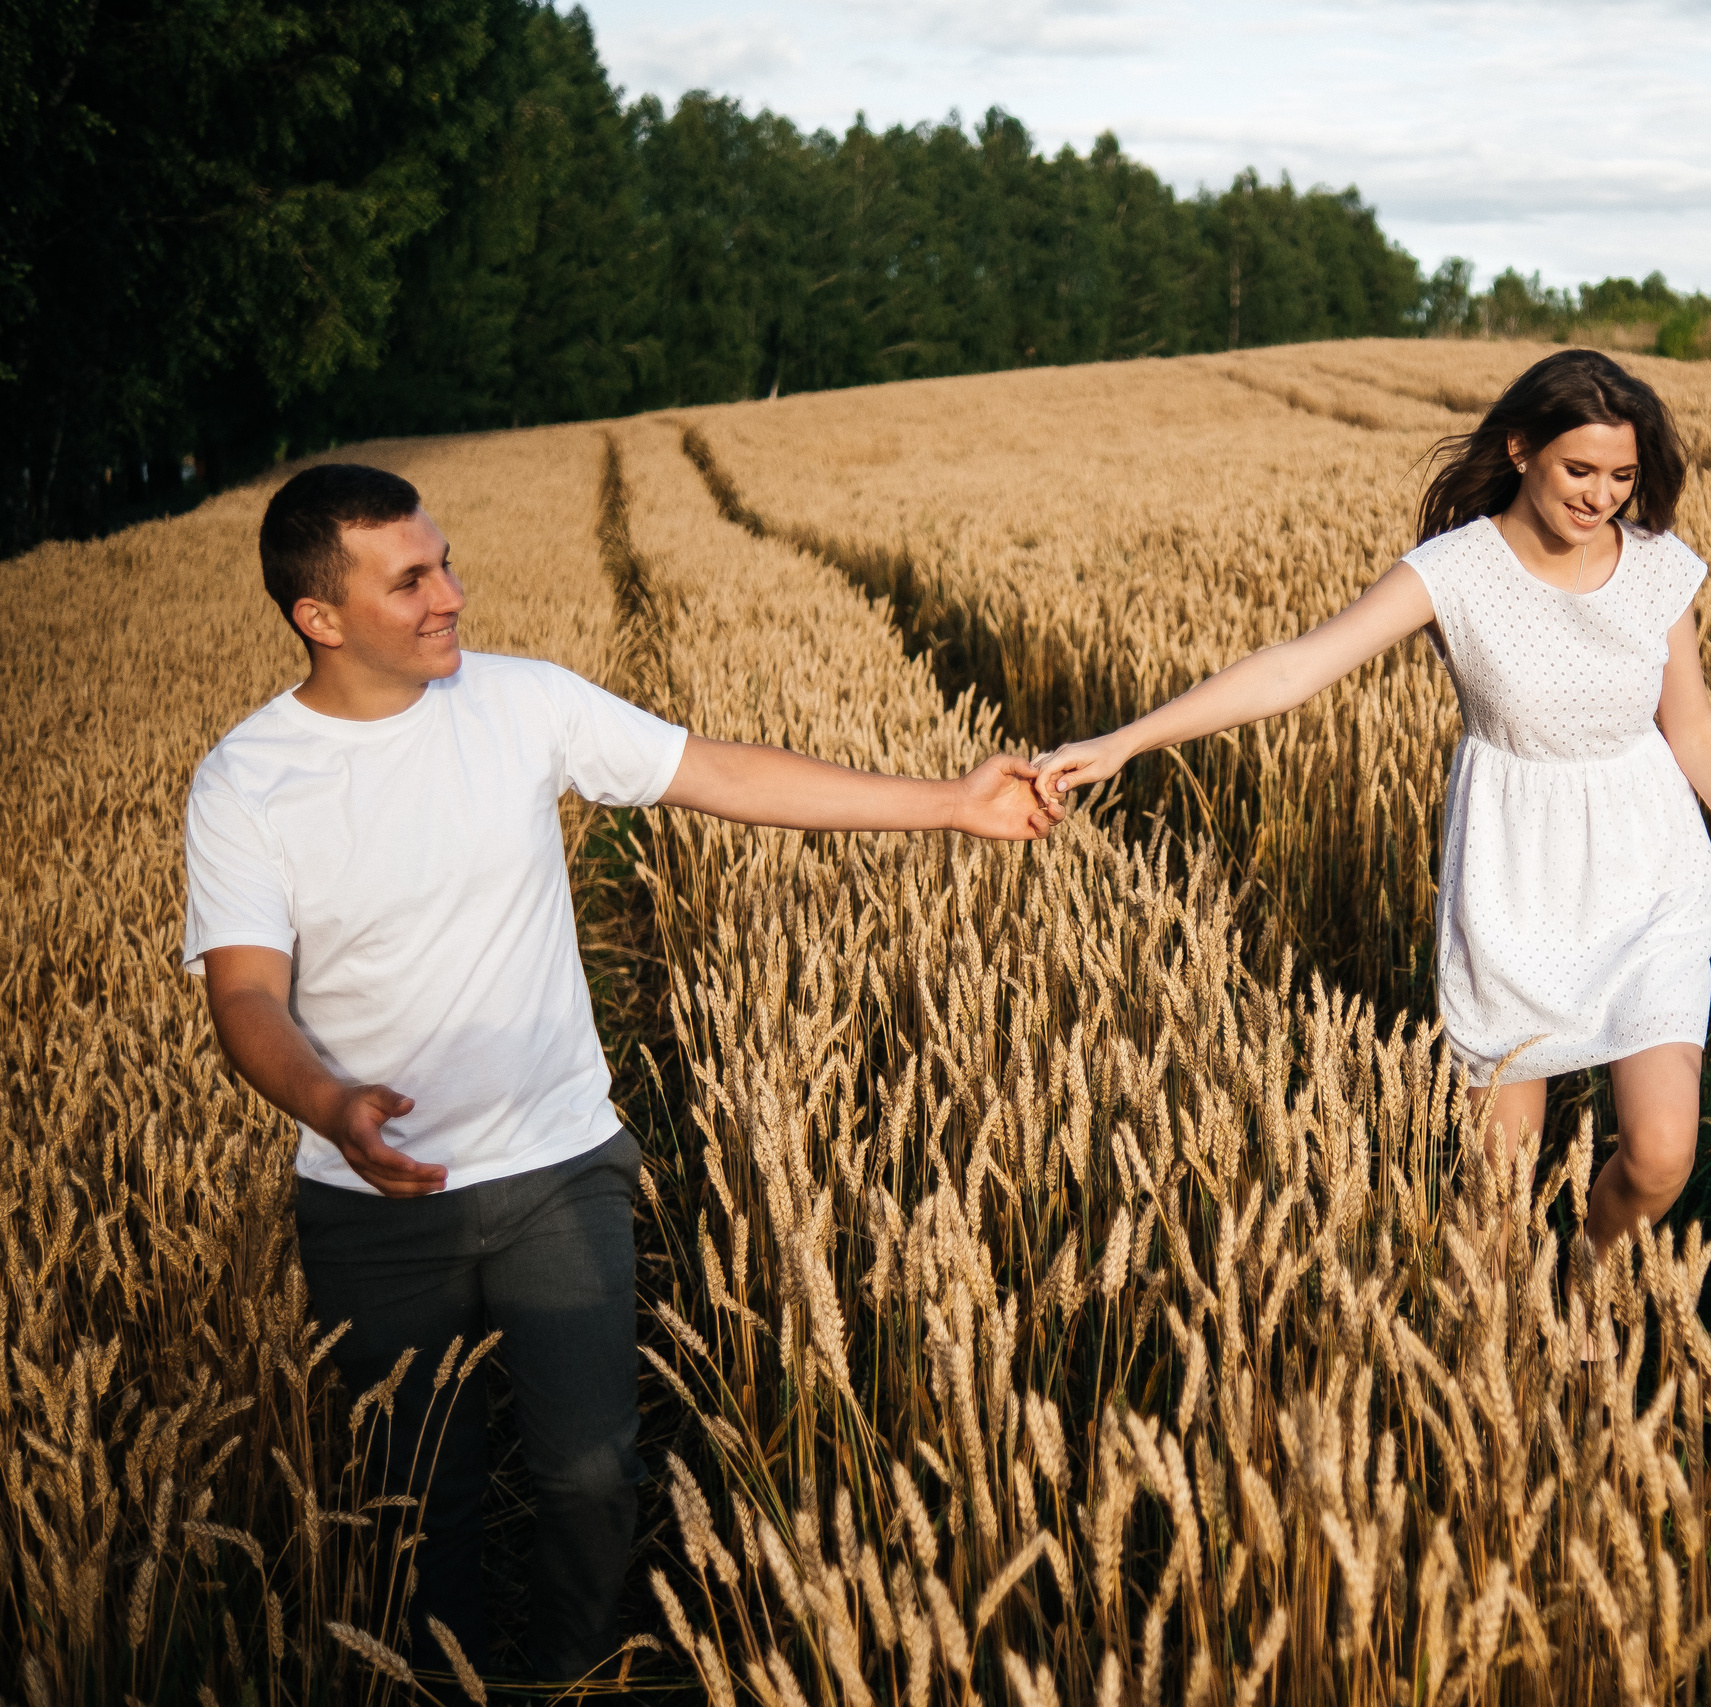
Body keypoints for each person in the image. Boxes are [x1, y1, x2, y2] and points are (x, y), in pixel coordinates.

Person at [184, 464, 1057, 1682]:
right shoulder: (246, 781)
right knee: (407, 1513)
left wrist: (947, 806)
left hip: (558, 1167)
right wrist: (330, 1104)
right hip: (370, 1206)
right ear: (318, 619)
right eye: (413, 578)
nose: (452, 593)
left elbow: (726, 775)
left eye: (444, 560)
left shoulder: (521, 703)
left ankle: (574, 1678)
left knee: (594, 1479)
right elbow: (244, 997)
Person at [1035, 349, 1711, 1251]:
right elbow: (1295, 668)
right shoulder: (1455, 572)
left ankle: (1590, 1296)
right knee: (1496, 1199)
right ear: (1520, 450)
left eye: (1623, 476)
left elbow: (1695, 734)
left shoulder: (1657, 567)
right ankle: (1514, 1349)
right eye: (1579, 470)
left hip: (1649, 871)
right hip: (1514, 880)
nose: (1602, 498)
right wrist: (1123, 740)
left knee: (1662, 1153)